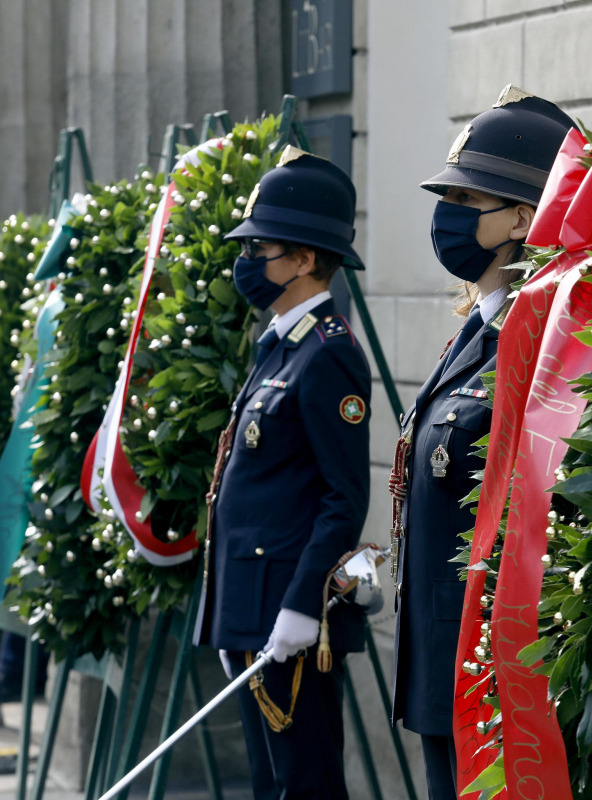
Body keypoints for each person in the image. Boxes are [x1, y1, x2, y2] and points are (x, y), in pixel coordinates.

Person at [390, 85, 577, 798]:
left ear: (522, 219)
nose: (447, 216)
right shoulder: (477, 328)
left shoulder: (544, 340)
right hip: (442, 652)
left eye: (468, 202)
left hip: (495, 664)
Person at [194, 145, 371, 800]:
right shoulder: (280, 346)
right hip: (253, 608)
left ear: (303, 259)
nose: (247, 264)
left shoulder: (328, 355)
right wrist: (228, 612)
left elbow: (342, 497)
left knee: (306, 784)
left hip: (288, 614)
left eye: (260, 250)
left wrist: (301, 606)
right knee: (273, 784)